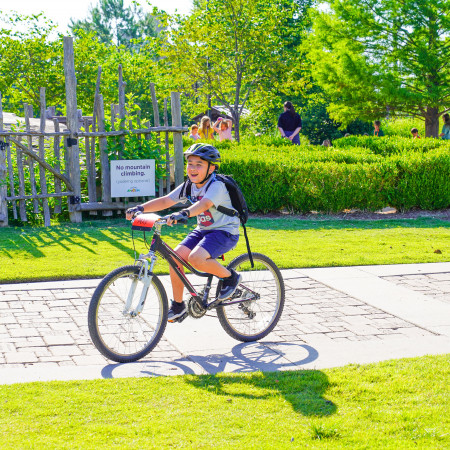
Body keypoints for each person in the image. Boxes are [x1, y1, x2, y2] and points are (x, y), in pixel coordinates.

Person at [126, 143, 241, 322]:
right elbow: (166, 201)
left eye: (199, 164)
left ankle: (231, 277)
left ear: (211, 168)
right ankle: (179, 306)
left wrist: (184, 213)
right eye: (190, 163)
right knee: (175, 258)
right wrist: (141, 208)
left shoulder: (216, 185)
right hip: (203, 230)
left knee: (196, 258)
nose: (192, 168)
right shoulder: (189, 185)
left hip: (224, 231)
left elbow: (203, 205)